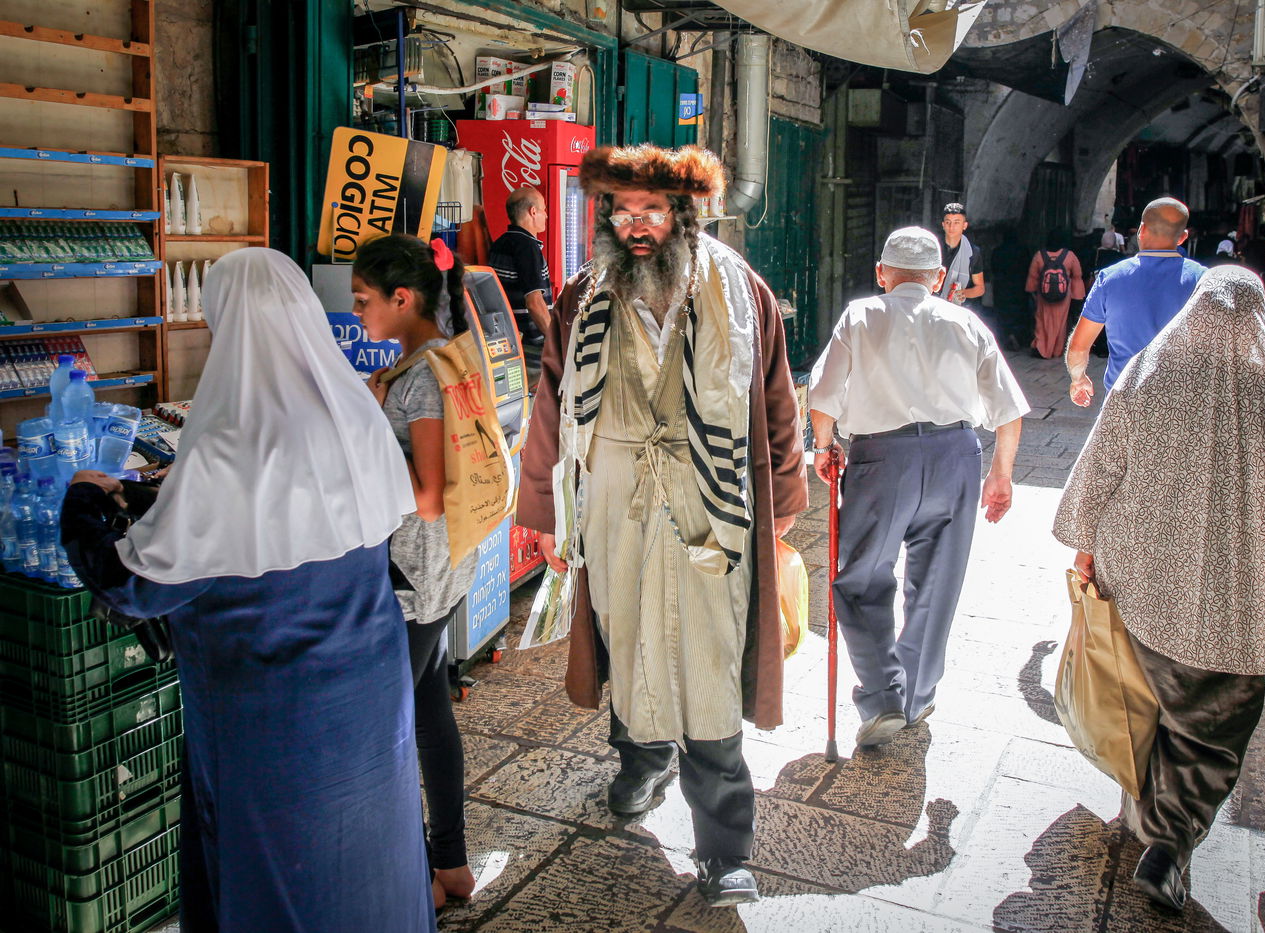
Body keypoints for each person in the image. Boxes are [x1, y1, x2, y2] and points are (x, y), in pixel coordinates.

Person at [59, 248, 434, 933]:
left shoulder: (225, 448)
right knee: (371, 850)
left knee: (276, 872)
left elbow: (132, 584)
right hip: (370, 691)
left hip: (271, 720)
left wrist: (83, 501)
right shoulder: (357, 419)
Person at [517, 144, 807, 907]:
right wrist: (546, 514)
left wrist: (777, 507)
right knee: (627, 636)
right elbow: (551, 401)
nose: (634, 223)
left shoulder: (740, 290)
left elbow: (776, 403)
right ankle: (640, 762)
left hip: (712, 500)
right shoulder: (582, 295)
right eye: (621, 209)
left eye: (650, 210)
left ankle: (724, 845)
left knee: (709, 658)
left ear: (682, 213)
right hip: (613, 497)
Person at [1052, 266, 1265, 911]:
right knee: (1211, 730)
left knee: (1148, 704)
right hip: (1236, 608)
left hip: (1144, 585)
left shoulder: (1152, 373)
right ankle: (1170, 845)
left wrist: (1086, 544)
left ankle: (1149, 821)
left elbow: (1101, 462)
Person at [808, 227, 1029, 747]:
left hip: (883, 460)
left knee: (861, 577)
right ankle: (917, 694)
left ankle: (885, 692)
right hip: (956, 456)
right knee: (936, 583)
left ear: (881, 274)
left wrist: (824, 445)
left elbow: (822, 394)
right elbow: (1009, 410)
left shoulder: (862, 316)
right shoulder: (965, 322)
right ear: (936, 278)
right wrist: (1000, 474)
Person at [353, 233, 481, 909]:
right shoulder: (443, 356)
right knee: (430, 717)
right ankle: (451, 866)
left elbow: (427, 495)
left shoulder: (420, 378)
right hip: (444, 570)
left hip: (415, 577)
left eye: (364, 299)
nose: (357, 314)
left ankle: (409, 882)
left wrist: (372, 426)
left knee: (386, 735)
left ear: (403, 299)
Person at [1065, 197, 1207, 407]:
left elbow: (1078, 347)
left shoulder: (1109, 279)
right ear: (1183, 237)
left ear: (1141, 230)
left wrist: (1078, 379)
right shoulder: (1203, 279)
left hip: (1124, 400)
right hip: (1183, 402)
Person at [487, 185, 552, 343]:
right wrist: (556, 342)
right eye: (543, 210)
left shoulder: (501, 243)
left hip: (508, 338)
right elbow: (534, 302)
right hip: (530, 343)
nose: (547, 215)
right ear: (533, 212)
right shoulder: (527, 247)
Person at [1026, 228, 1085, 359]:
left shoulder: (1039, 255)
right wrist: (1077, 296)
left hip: (1044, 296)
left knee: (1042, 321)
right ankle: (1056, 350)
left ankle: (1042, 348)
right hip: (1063, 297)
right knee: (1061, 323)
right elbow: (1077, 277)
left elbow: (1033, 277)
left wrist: (1031, 292)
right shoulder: (1070, 256)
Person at [935, 202, 985, 307]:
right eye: (948, 222)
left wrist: (964, 293)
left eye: (956, 222)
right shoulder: (933, 247)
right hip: (933, 303)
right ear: (943, 225)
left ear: (964, 225)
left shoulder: (973, 253)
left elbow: (980, 288)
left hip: (959, 307)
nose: (951, 227)